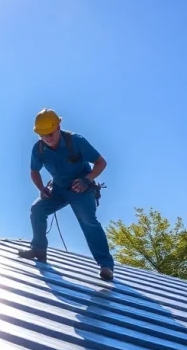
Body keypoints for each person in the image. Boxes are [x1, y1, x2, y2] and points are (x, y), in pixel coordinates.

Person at [17, 108, 115, 281]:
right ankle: (39, 249)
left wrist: (87, 179)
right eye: (43, 135)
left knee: (88, 221)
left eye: (51, 133)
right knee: (37, 209)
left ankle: (106, 265)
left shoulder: (76, 141)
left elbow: (101, 162)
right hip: (58, 189)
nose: (48, 138)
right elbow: (34, 171)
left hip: (81, 188)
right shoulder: (39, 149)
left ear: (58, 126)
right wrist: (41, 188)